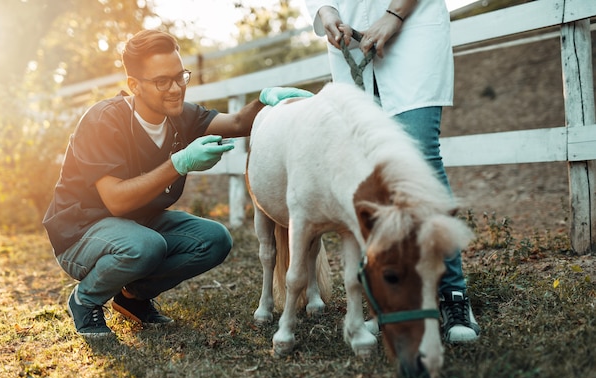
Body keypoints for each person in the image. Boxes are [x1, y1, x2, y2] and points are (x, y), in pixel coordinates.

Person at [43, 29, 312, 338]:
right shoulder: (104, 120)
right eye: (162, 82)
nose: (175, 89)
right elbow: (116, 200)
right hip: (80, 232)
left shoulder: (181, 117)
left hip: (136, 225)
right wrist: (179, 162)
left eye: (180, 77)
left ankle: (132, 298)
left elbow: (238, 123)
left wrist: (266, 101)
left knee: (214, 239)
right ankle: (85, 298)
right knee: (145, 246)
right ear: (134, 86)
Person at [304, 0, 480, 342]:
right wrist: (327, 11)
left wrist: (394, 14)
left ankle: (452, 295)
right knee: (369, 167)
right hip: (353, 38)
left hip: (414, 27)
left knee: (420, 157)